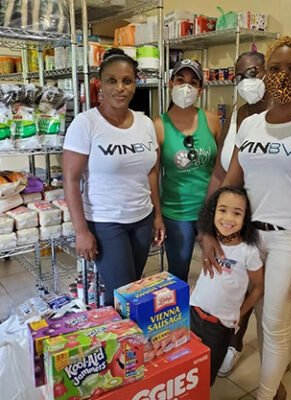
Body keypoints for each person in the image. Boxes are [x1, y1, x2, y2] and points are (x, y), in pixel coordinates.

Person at [201, 36, 291, 400]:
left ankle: (265, 396)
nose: (284, 76)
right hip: (248, 237)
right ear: (265, 73)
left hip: (290, 238)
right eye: (276, 68)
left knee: (275, 324)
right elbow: (230, 184)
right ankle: (275, 389)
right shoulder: (251, 125)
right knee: (259, 322)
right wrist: (208, 231)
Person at [63, 48, 165, 306]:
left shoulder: (145, 123)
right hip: (106, 222)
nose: (120, 88)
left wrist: (157, 215)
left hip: (142, 219)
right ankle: (115, 330)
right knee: (123, 291)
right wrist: (81, 231)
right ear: (100, 84)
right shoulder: (86, 124)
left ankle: (122, 330)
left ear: (135, 84)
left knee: (132, 287)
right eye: (112, 80)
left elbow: (151, 171)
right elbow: (71, 180)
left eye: (127, 81)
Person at [214, 51, 272, 377]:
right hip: (235, 215)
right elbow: (220, 171)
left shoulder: (282, 114)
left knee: (258, 288)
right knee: (234, 281)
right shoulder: (239, 114)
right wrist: (209, 215)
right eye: (239, 76)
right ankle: (229, 339)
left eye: (252, 72)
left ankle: (241, 346)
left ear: (267, 72)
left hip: (268, 217)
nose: (246, 81)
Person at [154, 59, 221, 282]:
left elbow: (221, 167)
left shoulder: (212, 120)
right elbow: (153, 175)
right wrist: (157, 216)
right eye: (180, 80)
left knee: (217, 269)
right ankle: (182, 306)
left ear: (200, 89)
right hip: (176, 213)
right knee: (179, 272)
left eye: (193, 82)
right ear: (170, 84)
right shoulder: (159, 126)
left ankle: (207, 305)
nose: (186, 87)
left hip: (211, 211)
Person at [190, 186, 264, 385]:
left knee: (205, 377)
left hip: (220, 326)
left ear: (246, 218)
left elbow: (258, 286)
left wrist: (241, 312)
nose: (228, 218)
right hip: (193, 313)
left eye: (237, 213)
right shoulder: (209, 240)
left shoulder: (248, 252)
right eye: (222, 210)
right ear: (212, 213)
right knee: (187, 369)